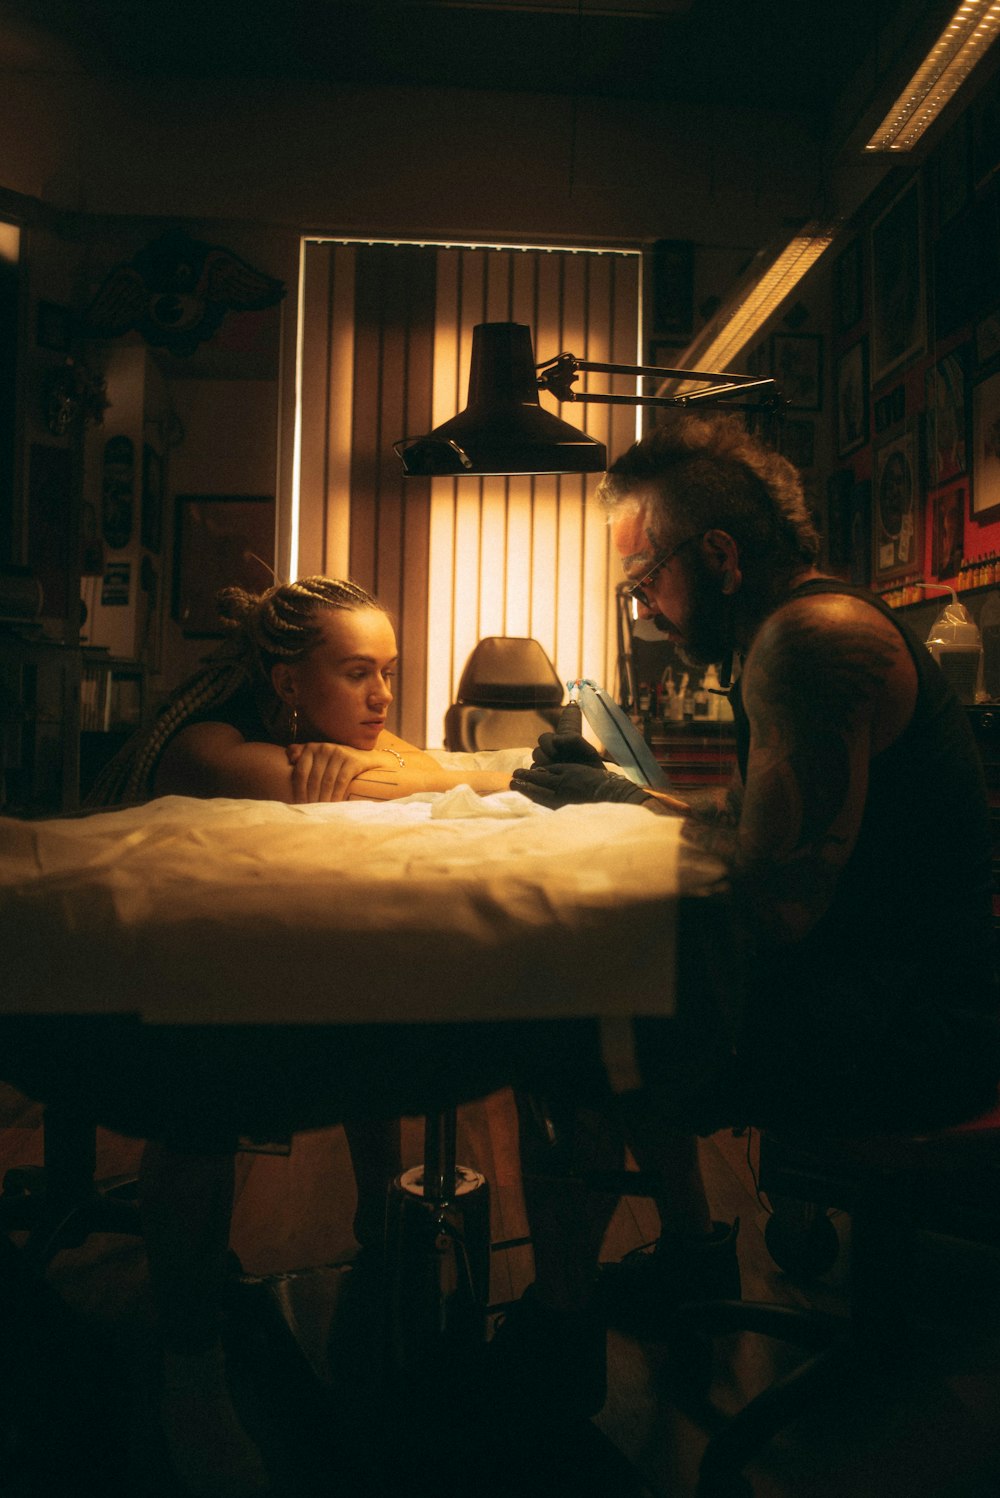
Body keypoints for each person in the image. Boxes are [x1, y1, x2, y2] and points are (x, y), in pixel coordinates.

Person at [512, 410, 1000, 1333]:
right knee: (619, 994)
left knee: (564, 1037)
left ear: (722, 554)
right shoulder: (789, 635)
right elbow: (757, 837)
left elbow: (774, 905)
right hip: (884, 994)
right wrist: (625, 796)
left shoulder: (807, 645)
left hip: (915, 1034)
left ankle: (555, 1341)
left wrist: (615, 818)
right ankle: (693, 1256)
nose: (644, 605)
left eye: (645, 576)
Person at [87, 575, 516, 1497]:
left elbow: (435, 767)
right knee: (203, 1097)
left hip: (245, 948)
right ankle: (188, 1366)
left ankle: (377, 1231)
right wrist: (407, 770)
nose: (382, 697)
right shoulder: (205, 743)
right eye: (357, 672)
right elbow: (434, 771)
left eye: (389, 673)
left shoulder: (338, 738)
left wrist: (402, 767)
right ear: (286, 684)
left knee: (367, 996)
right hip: (142, 987)